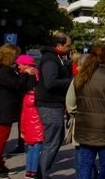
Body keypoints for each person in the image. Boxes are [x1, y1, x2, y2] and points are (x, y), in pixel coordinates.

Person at [66, 43, 105, 179]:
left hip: (85, 129)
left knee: (84, 167)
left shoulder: (79, 78)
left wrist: (79, 115)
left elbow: (70, 105)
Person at [0, 44, 36, 179]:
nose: (16, 60)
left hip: (0, 107)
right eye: (15, 56)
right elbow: (16, 84)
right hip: (4, 109)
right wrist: (25, 73)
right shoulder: (4, 71)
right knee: (0, 141)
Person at [35, 32, 73, 179]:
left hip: (54, 104)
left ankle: (42, 172)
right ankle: (42, 174)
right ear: (59, 45)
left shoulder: (57, 58)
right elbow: (50, 82)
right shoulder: (51, 59)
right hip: (50, 105)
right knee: (51, 142)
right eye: (68, 45)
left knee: (55, 140)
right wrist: (71, 81)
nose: (70, 48)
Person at [17, 55, 44, 179]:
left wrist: (22, 130)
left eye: (20, 64)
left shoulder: (26, 94)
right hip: (37, 121)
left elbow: (23, 115)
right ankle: (34, 172)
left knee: (31, 148)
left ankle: (29, 172)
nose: (18, 66)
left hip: (28, 121)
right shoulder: (36, 76)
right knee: (36, 147)